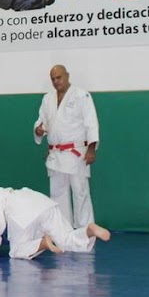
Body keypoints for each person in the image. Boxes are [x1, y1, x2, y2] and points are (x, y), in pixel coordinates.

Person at [0, 172, 109, 260]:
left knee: (17, 251)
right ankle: (89, 230)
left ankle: (43, 243)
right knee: (66, 239)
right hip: (42, 203)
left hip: (23, 215)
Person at [34, 65, 99, 227]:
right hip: (56, 154)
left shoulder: (81, 95)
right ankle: (63, 230)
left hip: (77, 153)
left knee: (80, 193)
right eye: (53, 79)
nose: (56, 81)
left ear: (67, 76)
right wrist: (38, 130)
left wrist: (91, 149)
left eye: (59, 77)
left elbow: (91, 123)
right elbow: (40, 120)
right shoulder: (47, 98)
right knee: (57, 195)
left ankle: (85, 231)